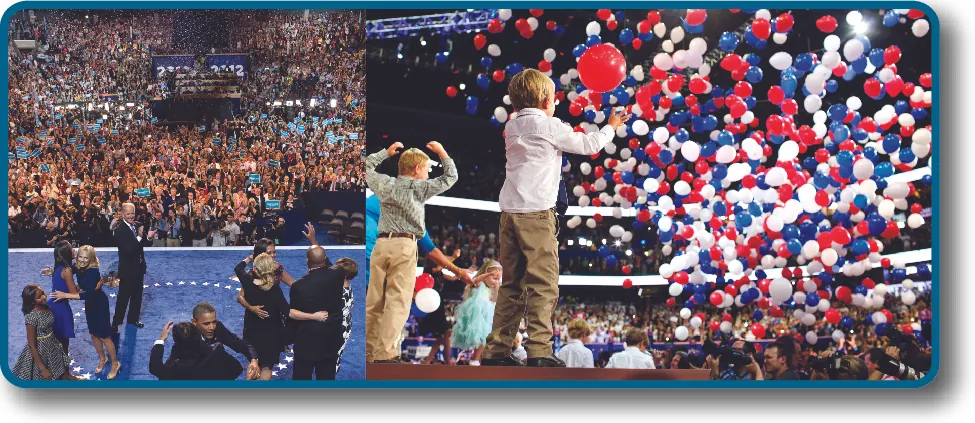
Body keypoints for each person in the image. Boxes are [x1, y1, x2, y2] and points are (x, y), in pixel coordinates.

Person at [483, 69, 631, 367]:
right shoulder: (550, 126)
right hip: (537, 214)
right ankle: (539, 351)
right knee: (543, 284)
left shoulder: (513, 127)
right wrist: (611, 125)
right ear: (545, 100)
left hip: (509, 215)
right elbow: (589, 146)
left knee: (512, 285)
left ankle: (496, 351)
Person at [365, 141, 458, 364]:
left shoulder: (385, 184)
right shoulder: (420, 188)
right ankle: (386, 355)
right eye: (426, 169)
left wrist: (384, 153)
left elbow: (367, 167)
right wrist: (443, 152)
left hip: (381, 246)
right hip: (404, 247)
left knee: (374, 302)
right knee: (397, 302)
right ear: (416, 169)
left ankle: (369, 354)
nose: (428, 173)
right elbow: (450, 177)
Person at [235, 253, 325, 380]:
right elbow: (289, 313)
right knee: (266, 367)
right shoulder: (274, 290)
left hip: (251, 331)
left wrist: (248, 258)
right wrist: (314, 316)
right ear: (271, 269)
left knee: (253, 363)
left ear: (254, 269)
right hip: (271, 335)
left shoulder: (247, 281)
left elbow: (238, 269)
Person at [49, 246, 120, 379]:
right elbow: (67, 271)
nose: (82, 260)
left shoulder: (93, 271)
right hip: (90, 306)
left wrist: (66, 295)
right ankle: (102, 359)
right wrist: (53, 272)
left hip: (98, 304)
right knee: (93, 334)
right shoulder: (78, 266)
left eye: (86, 258)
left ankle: (115, 363)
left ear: (91, 259)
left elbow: (89, 294)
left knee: (105, 337)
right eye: (80, 256)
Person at [287, 246, 356, 380]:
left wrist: (289, 337)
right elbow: (334, 266)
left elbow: (293, 314)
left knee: (301, 379)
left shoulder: (299, 286)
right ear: (324, 259)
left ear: (307, 260)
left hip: (306, 342)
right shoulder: (338, 274)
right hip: (332, 338)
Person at [12, 285, 76, 380]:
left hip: (53, 345)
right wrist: (42, 369)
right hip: (40, 352)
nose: (43, 297)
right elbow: (31, 345)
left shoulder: (47, 307)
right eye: (39, 297)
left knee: (59, 371)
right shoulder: (31, 317)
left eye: (42, 293)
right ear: (32, 301)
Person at [112, 202, 156, 331]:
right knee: (123, 298)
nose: (131, 216)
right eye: (128, 214)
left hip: (139, 268)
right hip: (127, 271)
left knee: (137, 296)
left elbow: (143, 245)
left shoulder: (137, 226)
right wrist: (139, 236)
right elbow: (128, 250)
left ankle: (133, 319)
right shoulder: (119, 230)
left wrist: (148, 237)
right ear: (123, 214)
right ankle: (116, 322)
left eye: (133, 214)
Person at [149, 321, 245, 380]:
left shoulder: (173, 367)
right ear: (198, 336)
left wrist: (161, 340)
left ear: (176, 341)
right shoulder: (217, 350)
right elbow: (237, 369)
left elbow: (155, 367)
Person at [190, 302, 260, 380]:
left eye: (214, 322)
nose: (212, 327)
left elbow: (238, 343)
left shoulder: (218, 328)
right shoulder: (185, 338)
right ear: (194, 323)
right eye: (206, 324)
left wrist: (253, 360)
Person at [451, 260, 502, 366]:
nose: (496, 281)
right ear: (485, 273)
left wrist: (497, 288)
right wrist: (488, 274)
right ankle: (474, 359)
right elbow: (476, 281)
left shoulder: (491, 288)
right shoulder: (479, 284)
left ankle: (478, 359)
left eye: (498, 279)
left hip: (486, 316)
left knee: (485, 339)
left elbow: (494, 300)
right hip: (476, 314)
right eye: (494, 278)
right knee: (480, 337)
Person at [46, 240, 78, 355]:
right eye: (71, 248)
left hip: (53, 307)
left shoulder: (60, 268)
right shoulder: (67, 270)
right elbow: (75, 295)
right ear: (67, 253)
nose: (74, 249)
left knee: (57, 342)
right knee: (64, 343)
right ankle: (64, 371)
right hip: (60, 309)